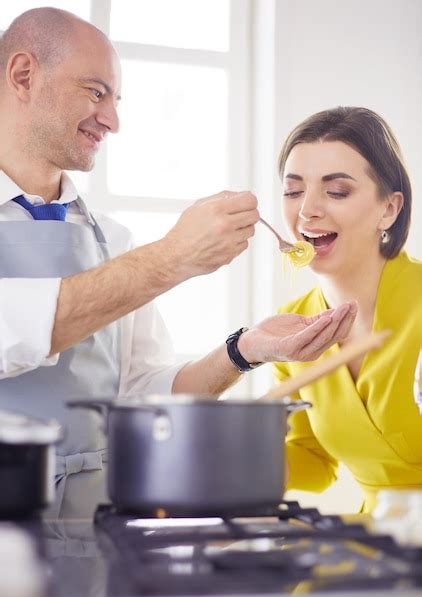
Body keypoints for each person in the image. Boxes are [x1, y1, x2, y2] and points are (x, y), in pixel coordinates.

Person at [0, 8, 356, 518]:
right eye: (96, 92)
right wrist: (173, 258)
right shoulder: (142, 260)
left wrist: (246, 349)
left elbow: (146, 394)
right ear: (23, 76)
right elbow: (12, 326)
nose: (113, 121)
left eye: (116, 101)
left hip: (92, 535)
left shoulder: (112, 241)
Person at [274, 106, 422, 513]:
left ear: (389, 209)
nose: (307, 210)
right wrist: (241, 457)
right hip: (377, 545)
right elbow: (315, 460)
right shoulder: (288, 332)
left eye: (336, 191)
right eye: (293, 190)